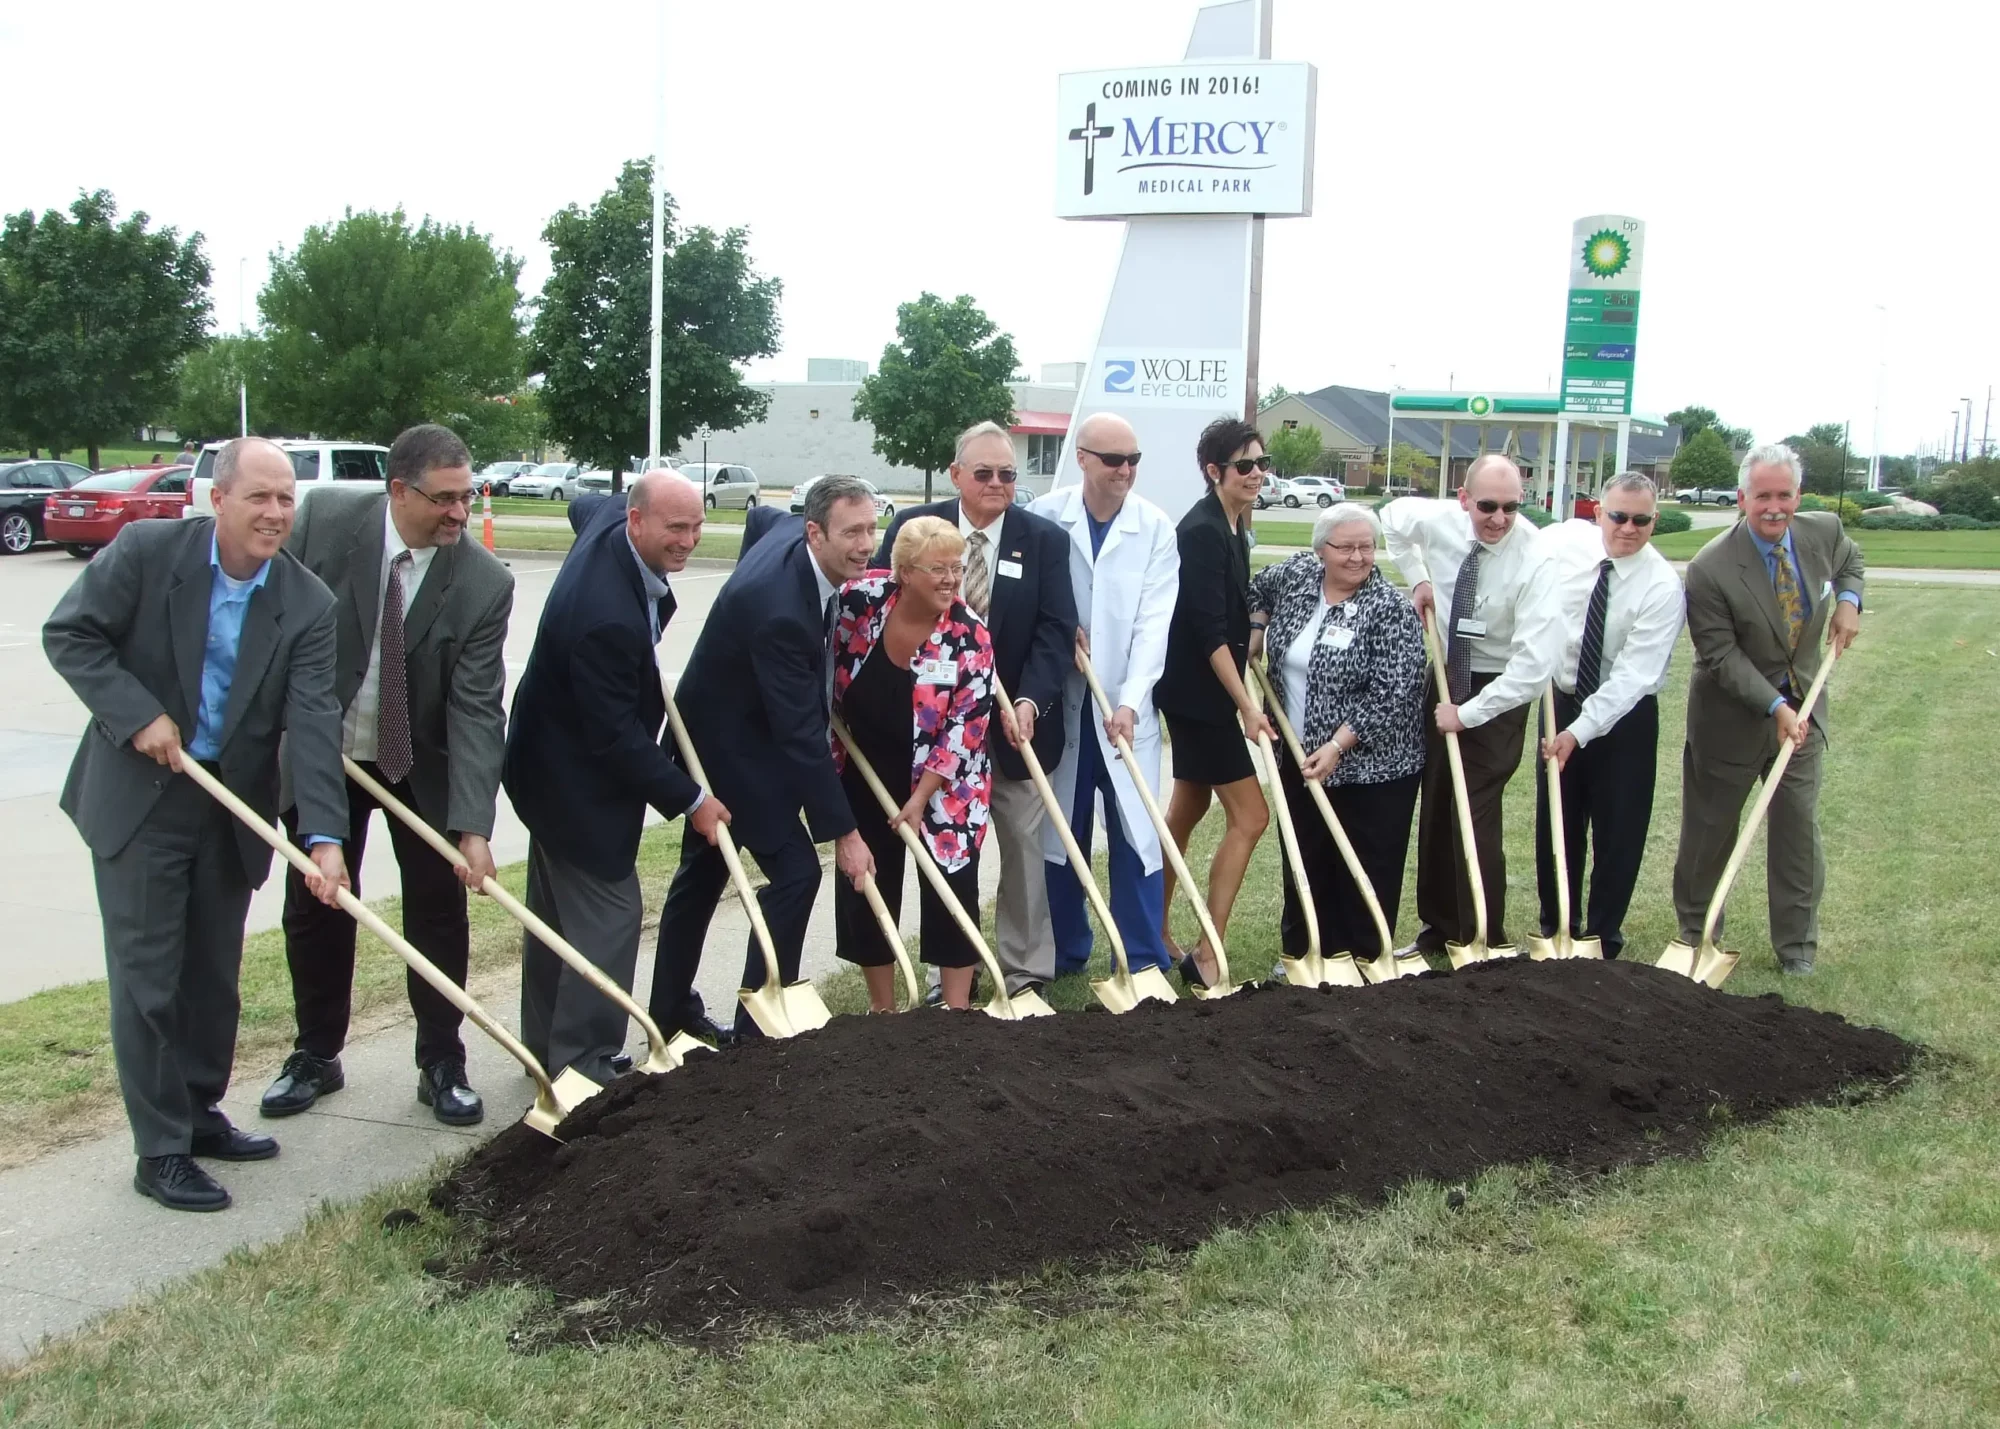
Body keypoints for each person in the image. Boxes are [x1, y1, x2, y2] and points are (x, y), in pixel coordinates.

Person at [43, 437, 348, 1212]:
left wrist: (324, 837)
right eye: (260, 497)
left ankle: (200, 1111)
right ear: (218, 498)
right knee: (149, 978)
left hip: (230, 805)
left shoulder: (307, 603)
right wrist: (137, 714)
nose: (276, 513)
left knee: (212, 976)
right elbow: (70, 634)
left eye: (287, 499)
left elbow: (314, 723)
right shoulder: (149, 552)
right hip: (143, 796)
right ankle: (160, 1147)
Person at [257, 426, 514, 1125]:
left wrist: (471, 826)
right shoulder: (326, 522)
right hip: (326, 751)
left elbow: (476, 710)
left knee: (437, 906)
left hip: (418, 762)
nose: (461, 514)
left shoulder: (485, 583)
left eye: (470, 497)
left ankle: (441, 1059)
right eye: (445, 499)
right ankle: (316, 1053)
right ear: (398, 490)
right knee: (319, 899)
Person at [502, 471, 731, 1085]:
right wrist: (692, 799)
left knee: (557, 920)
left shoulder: (607, 520)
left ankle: (546, 1052)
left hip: (541, 757)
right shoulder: (607, 617)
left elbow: (585, 505)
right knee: (611, 916)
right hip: (570, 781)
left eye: (696, 526)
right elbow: (615, 738)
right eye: (674, 528)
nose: (689, 540)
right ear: (636, 521)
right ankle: (584, 1062)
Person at [648, 475, 879, 1040]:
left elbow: (759, 521)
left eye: (872, 528)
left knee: (701, 874)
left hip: (737, 724)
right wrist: (845, 834)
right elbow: (801, 734)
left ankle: (670, 1008)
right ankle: (757, 1030)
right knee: (797, 872)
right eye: (852, 533)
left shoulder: (781, 532)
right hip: (729, 751)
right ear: (815, 532)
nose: (866, 545)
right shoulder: (780, 613)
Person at [872, 422, 1077, 997]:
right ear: (956, 474)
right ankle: (950, 969)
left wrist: (1032, 700)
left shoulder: (1045, 541)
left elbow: (1055, 632)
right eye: (983, 473)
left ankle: (1024, 972)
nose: (996, 483)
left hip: (1016, 730)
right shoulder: (916, 530)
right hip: (932, 732)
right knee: (945, 854)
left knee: (1022, 850)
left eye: (1008, 474)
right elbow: (886, 610)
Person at [1672, 443, 1863, 974]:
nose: (1774, 507)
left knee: (1796, 830)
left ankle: (1797, 949)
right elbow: (1719, 654)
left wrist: (1850, 601)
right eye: (1762, 496)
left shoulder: (1821, 531)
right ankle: (1696, 931)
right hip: (1730, 716)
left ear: (1797, 496)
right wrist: (1775, 706)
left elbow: (1852, 559)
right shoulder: (1711, 567)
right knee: (1710, 832)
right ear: (1742, 498)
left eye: (1784, 495)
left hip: (1804, 714)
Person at [1382, 453, 1557, 959]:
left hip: (1497, 685)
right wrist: (1417, 578)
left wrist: (1467, 713)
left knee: (1474, 803)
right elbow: (1390, 520)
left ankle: (1482, 931)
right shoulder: (1436, 520)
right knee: (1438, 799)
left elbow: (1531, 670)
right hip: (1444, 669)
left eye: (1511, 507)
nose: (1499, 519)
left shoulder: (1534, 559)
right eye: (1487, 506)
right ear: (1464, 500)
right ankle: (1439, 927)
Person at [1031, 413, 1180, 981]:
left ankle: (1141, 956)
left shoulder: (1155, 527)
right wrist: (1057, 628)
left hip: (1123, 711)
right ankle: (1066, 952)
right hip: (1063, 707)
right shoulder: (1046, 516)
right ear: (1083, 459)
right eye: (1114, 460)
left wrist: (1132, 699)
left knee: (1136, 833)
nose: (1125, 471)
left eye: (1134, 460)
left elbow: (1153, 623)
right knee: (1061, 832)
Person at [1249, 503, 1426, 961]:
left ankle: (1365, 958)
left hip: (1374, 768)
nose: (1357, 557)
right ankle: (1304, 954)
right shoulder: (1299, 578)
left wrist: (1337, 745)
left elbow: (1394, 692)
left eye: (1366, 547)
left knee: (1364, 866)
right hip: (1298, 755)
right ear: (1320, 551)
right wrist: (1257, 624)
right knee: (1305, 860)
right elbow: (1257, 585)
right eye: (1345, 547)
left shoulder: (1388, 609)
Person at [833, 517, 996, 1009]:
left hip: (946, 785)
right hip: (866, 767)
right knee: (868, 884)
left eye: (956, 568)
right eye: (937, 569)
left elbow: (966, 727)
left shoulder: (970, 635)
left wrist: (922, 798)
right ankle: (882, 1009)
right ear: (903, 572)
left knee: (952, 885)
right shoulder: (861, 601)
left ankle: (955, 1010)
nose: (951, 579)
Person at [1533, 472, 1684, 959]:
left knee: (1619, 829)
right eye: (1618, 516)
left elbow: (1634, 676)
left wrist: (1579, 733)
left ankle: (1601, 937)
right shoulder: (1561, 543)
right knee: (1556, 819)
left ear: (1653, 521)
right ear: (1597, 511)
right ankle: (1557, 927)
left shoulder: (1661, 586)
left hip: (1626, 717)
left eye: (1641, 520)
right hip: (1561, 698)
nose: (1628, 528)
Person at [1153, 417, 1275, 986]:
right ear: (1214, 471)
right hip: (1199, 697)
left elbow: (1228, 619)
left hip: (1202, 691)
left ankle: (1148, 930)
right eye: (1243, 466)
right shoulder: (1201, 531)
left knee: (1188, 809)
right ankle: (1207, 953)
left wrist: (1253, 633)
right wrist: (1245, 706)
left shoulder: (1231, 525)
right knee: (1252, 817)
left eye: (1261, 463)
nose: (1256, 475)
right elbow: (1206, 634)